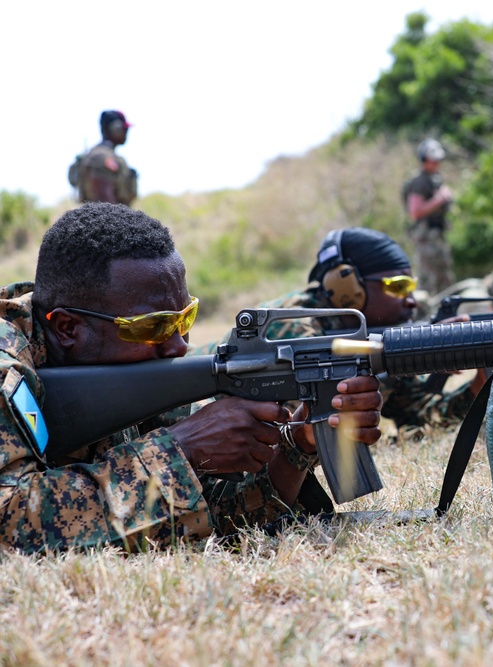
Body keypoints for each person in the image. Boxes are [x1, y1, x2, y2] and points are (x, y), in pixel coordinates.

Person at [0, 203, 383, 553]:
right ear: (67, 327)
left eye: (185, 319)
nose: (180, 346)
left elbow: (211, 512)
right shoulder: (8, 365)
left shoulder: (132, 371)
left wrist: (298, 446)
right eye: (155, 326)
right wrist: (181, 448)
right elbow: (11, 523)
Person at [258, 226, 485, 432]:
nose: (411, 301)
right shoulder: (292, 325)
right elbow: (300, 422)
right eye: (398, 286)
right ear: (347, 288)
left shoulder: (372, 336)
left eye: (411, 286)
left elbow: (421, 414)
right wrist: (392, 354)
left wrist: (480, 385)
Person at [403, 138, 455, 296]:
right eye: (433, 160)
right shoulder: (419, 182)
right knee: (428, 281)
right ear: (424, 160)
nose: (436, 164)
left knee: (444, 279)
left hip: (437, 236)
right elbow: (415, 212)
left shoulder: (434, 179)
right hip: (426, 239)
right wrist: (439, 199)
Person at [70, 110, 139, 206]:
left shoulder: (107, 155)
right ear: (115, 129)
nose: (126, 132)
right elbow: (105, 206)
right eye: (124, 129)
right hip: (107, 219)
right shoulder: (100, 158)